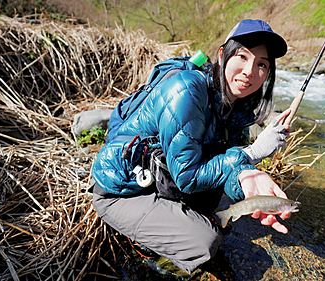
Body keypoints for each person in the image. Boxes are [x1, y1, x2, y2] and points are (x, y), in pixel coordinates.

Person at [91, 19, 293, 274]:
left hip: (163, 177)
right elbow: (188, 177)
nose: (250, 71)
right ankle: (145, 246)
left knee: (216, 207)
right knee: (204, 243)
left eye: (261, 64)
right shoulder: (186, 90)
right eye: (242, 56)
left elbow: (229, 168)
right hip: (124, 190)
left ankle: (170, 220)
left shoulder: (238, 109)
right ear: (223, 54)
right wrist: (252, 153)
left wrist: (248, 186)